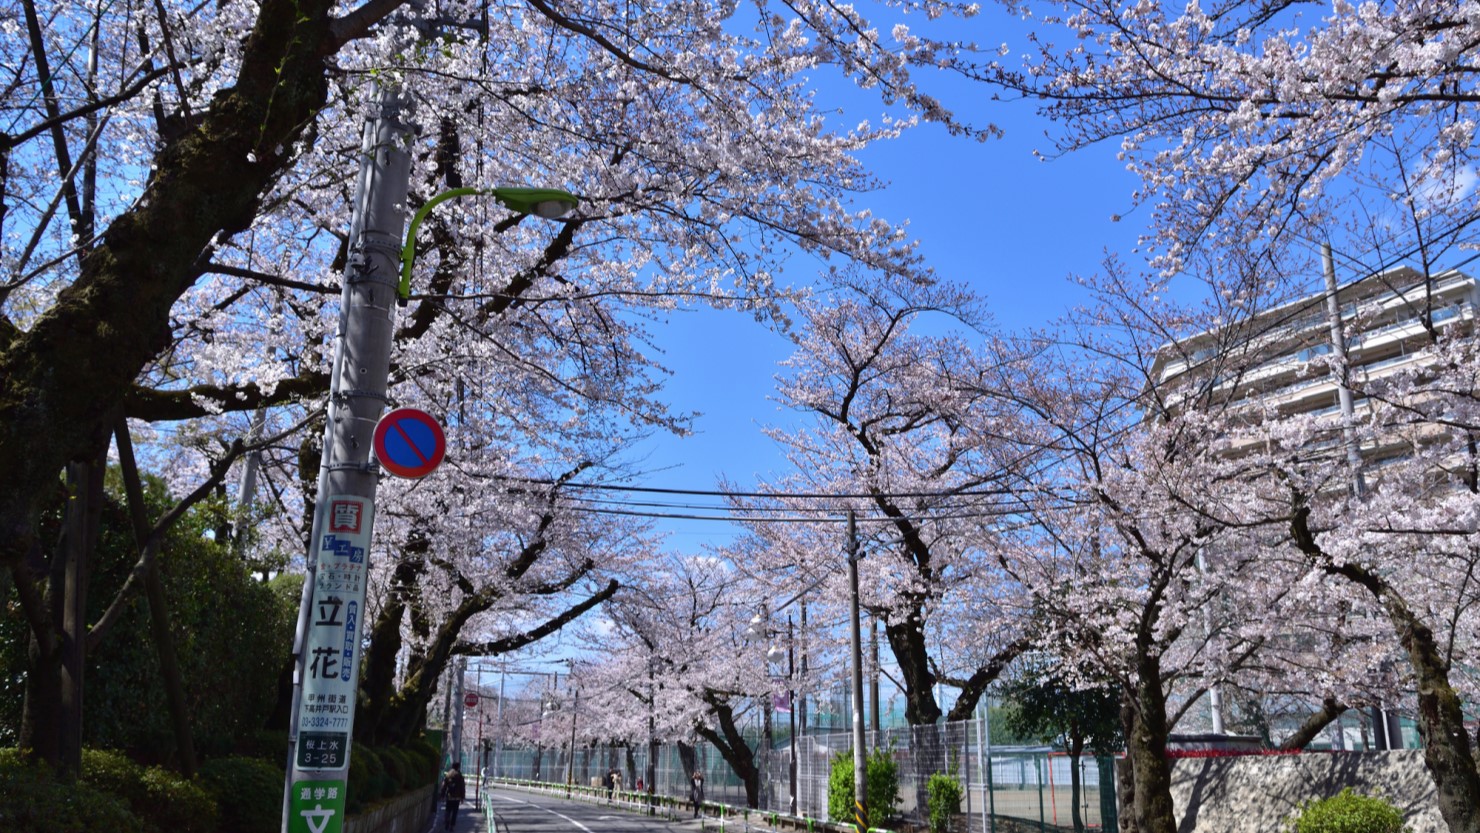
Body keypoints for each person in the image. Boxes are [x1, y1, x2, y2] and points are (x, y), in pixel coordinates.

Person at [441, 762, 466, 831]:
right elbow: (462, 787)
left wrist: (442, 795)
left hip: (449, 796)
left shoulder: (448, 775)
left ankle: (447, 821)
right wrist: (462, 797)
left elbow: (444, 786)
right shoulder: (459, 775)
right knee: (455, 812)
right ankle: (452, 826)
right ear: (458, 767)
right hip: (457, 797)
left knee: (448, 810)